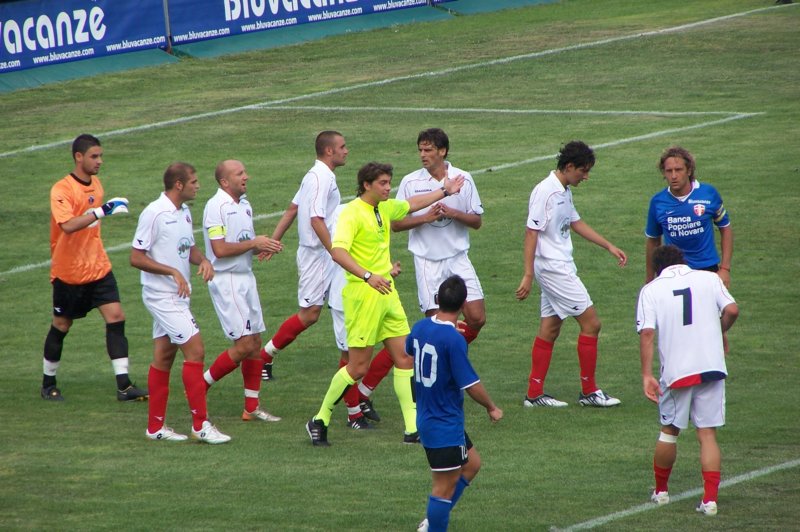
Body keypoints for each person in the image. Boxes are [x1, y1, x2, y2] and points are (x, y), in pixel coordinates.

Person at [305, 161, 464, 446]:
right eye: (382, 183)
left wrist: (444, 190)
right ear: (366, 185)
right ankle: (319, 419)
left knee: (404, 358)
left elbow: (412, 204)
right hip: (363, 296)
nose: (388, 188)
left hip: (387, 294)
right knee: (357, 368)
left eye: (389, 182)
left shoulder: (384, 208)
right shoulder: (352, 213)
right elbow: (338, 252)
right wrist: (368, 276)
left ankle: (412, 429)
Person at [355, 128, 486, 423]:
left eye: (428, 150)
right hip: (428, 262)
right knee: (433, 331)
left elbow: (476, 221)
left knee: (476, 318)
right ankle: (367, 390)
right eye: (420, 150)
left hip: (458, 258)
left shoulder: (464, 179)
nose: (423, 155)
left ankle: (439, 361)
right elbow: (396, 223)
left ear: (443, 151)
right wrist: (427, 217)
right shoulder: (411, 182)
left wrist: (452, 213)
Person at [515, 140, 627, 408]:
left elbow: (575, 222)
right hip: (554, 269)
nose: (586, 177)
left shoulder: (563, 190)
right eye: (583, 171)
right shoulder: (546, 192)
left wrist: (608, 246)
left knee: (550, 328)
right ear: (568, 167)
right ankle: (589, 391)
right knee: (592, 323)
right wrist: (528, 274)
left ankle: (534, 395)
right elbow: (531, 232)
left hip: (559, 265)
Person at [41, 133, 148, 402]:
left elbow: (90, 224)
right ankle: (48, 383)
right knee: (62, 325)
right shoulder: (62, 190)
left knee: (116, 317)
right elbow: (67, 226)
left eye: (100, 156)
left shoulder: (96, 185)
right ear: (79, 157)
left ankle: (124, 386)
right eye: (94, 156)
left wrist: (100, 211)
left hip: (98, 267)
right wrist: (102, 211)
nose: (100, 161)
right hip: (69, 272)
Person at [130, 162, 230, 443]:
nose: (198, 186)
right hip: (161, 296)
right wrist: (172, 272)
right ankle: (201, 425)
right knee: (195, 350)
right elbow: (136, 257)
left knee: (164, 357)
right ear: (178, 185)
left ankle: (155, 428)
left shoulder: (184, 211)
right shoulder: (154, 213)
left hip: (178, 297)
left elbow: (188, 247)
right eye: (194, 182)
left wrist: (204, 260)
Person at [637, 245, 738, 516]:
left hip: (677, 373)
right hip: (712, 367)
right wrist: (720, 330)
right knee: (707, 434)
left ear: (657, 268)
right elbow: (732, 310)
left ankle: (661, 492)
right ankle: (710, 500)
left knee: (669, 431)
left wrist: (646, 375)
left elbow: (647, 334)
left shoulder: (651, 290)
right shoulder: (709, 279)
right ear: (682, 260)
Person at [408, 275, 502, 532]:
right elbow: (470, 384)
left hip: (431, 416)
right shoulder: (454, 340)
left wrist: (446, 332)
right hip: (443, 423)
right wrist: (491, 407)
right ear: (463, 305)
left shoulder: (420, 327)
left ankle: (433, 521)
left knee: (472, 464)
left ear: (437, 299)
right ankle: (434, 526)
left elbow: (410, 351)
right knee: (443, 488)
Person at [259, 131, 348, 381]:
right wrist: (334, 251)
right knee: (309, 314)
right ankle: (264, 355)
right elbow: (315, 219)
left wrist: (274, 240)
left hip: (325, 253)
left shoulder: (316, 174)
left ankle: (349, 380)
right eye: (342, 146)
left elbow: (292, 209)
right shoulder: (321, 178)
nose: (346, 151)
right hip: (317, 255)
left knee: (344, 307)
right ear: (329, 151)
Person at [202, 160, 284, 422]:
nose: (246, 177)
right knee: (245, 343)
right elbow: (219, 250)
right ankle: (200, 386)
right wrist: (253, 243)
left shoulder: (244, 204)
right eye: (240, 174)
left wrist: (264, 246)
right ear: (225, 182)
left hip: (246, 277)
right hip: (227, 280)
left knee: (255, 342)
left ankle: (251, 407)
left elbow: (243, 244)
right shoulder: (216, 207)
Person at [645, 146, 733, 287]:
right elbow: (653, 241)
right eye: (669, 171)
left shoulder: (708, 194)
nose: (674, 176)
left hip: (707, 269)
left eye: (678, 170)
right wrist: (650, 281)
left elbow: (725, 227)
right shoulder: (658, 202)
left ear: (689, 170)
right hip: (673, 272)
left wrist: (725, 269)